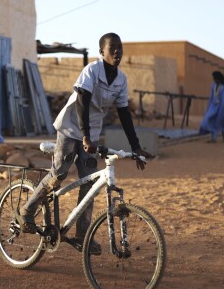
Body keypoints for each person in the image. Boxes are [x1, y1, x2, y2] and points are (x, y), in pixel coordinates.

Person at [16, 32, 153, 254]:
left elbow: (124, 114)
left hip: (92, 135)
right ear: (102, 52)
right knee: (59, 174)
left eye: (120, 48)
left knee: (89, 183)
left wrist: (135, 146)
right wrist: (85, 136)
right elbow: (82, 103)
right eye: (112, 48)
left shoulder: (121, 80)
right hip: (72, 129)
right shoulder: (91, 71)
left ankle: (82, 236)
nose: (117, 52)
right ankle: (27, 210)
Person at [199, 70, 224, 143]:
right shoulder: (213, 86)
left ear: (218, 78)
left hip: (221, 107)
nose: (214, 80)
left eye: (215, 78)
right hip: (213, 106)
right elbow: (211, 97)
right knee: (208, 120)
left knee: (221, 122)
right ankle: (215, 138)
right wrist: (209, 107)